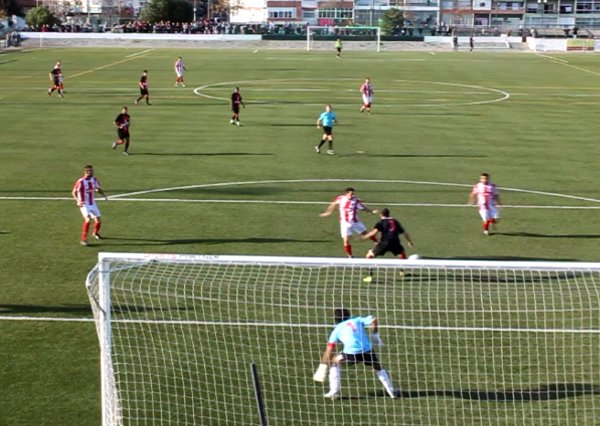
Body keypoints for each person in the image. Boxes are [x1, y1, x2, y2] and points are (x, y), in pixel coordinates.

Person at [313, 308, 398, 399]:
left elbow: (329, 350)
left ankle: (334, 391)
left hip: (351, 354)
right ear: (348, 315)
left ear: (335, 319)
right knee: (378, 366)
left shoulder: (336, 330)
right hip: (367, 351)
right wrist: (374, 334)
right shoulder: (357, 320)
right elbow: (374, 319)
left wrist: (323, 366)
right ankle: (391, 391)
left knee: (335, 362)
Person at [319, 187, 378, 257]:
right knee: (346, 240)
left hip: (355, 222)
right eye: (351, 194)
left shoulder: (355, 201)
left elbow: (363, 207)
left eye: (353, 194)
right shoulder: (340, 198)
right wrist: (328, 212)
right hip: (344, 223)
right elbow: (333, 204)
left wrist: (371, 211)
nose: (353, 195)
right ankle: (350, 256)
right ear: (346, 194)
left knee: (367, 233)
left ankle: (377, 243)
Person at [72, 165, 108, 246]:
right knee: (88, 220)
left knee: (98, 221)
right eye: (90, 171)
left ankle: (95, 233)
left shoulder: (94, 180)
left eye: (92, 171)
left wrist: (103, 195)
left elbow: (98, 188)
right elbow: (74, 192)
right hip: (84, 204)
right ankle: (84, 239)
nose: (92, 172)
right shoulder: (80, 181)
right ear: (86, 172)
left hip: (92, 203)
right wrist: (78, 201)